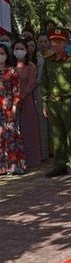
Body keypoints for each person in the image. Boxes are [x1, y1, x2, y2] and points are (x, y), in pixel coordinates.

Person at [40, 28, 71, 178]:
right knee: (57, 135)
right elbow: (44, 84)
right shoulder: (48, 62)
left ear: (65, 43)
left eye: (59, 41)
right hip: (54, 103)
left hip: (68, 102)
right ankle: (59, 165)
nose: (55, 44)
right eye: (53, 41)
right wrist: (45, 103)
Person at [12, 39, 41, 169]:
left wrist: (20, 97)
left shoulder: (31, 66)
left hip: (26, 101)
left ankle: (31, 159)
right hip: (10, 102)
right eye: (16, 48)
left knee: (28, 130)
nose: (19, 51)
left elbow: (32, 83)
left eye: (21, 48)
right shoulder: (10, 66)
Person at [0, 44, 26, 175]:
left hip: (9, 107)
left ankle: (14, 166)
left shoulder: (12, 71)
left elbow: (16, 91)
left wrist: (15, 107)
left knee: (11, 136)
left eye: (2, 53)